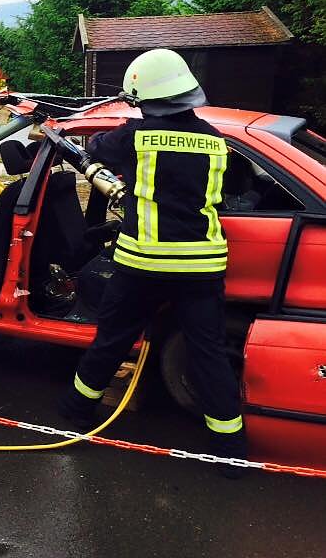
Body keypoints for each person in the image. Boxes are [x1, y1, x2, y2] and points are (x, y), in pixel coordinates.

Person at [58, 48, 246, 477]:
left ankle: (77, 412)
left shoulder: (133, 137)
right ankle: (230, 451)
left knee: (113, 339)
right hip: (202, 267)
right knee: (208, 352)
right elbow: (232, 186)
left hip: (143, 263)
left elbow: (97, 147)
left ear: (145, 98)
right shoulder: (217, 142)